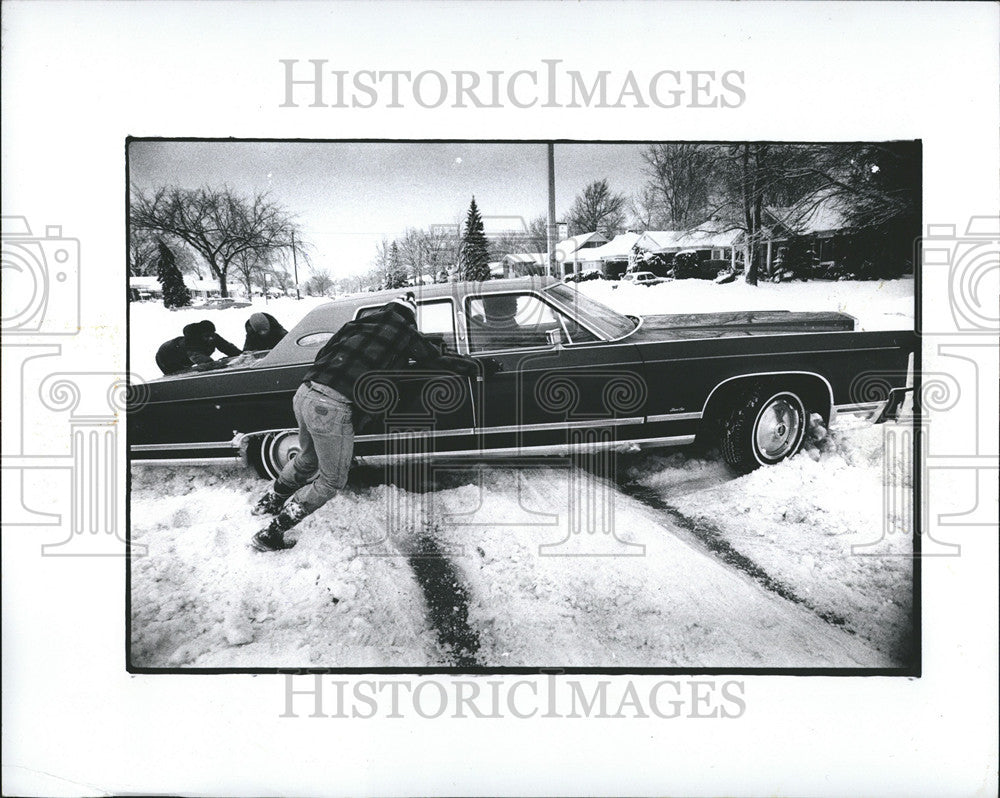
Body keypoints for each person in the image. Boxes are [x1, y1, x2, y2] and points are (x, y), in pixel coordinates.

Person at [249, 292, 499, 552]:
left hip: (305, 393)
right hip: (330, 407)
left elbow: (324, 352)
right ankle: (272, 533)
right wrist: (478, 365)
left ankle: (268, 502)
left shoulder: (355, 326)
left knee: (307, 459)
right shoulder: (405, 332)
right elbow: (436, 361)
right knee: (331, 482)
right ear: (410, 317)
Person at [155, 320, 241, 375]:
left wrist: (241, 354)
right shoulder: (192, 342)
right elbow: (201, 359)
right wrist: (215, 365)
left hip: (182, 356)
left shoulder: (213, 336)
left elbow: (227, 347)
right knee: (179, 376)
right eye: (207, 336)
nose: (210, 338)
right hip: (166, 357)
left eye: (212, 335)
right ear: (200, 336)